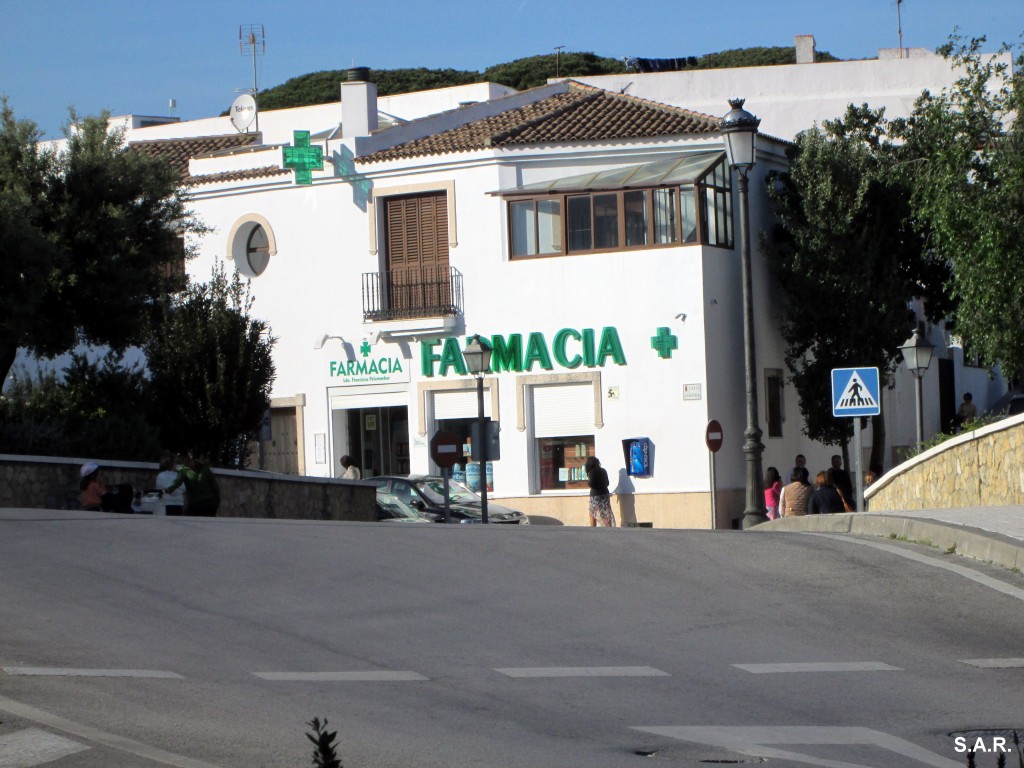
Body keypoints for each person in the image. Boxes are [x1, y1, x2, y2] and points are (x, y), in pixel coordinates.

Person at [164, 451, 221, 516]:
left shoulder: (185, 470)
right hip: (208, 503)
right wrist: (217, 500)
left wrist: (167, 490)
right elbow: (216, 488)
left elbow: (176, 483)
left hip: (198, 504)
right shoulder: (205, 469)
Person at [584, 456, 615, 527]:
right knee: (605, 512)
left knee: (592, 512)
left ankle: (593, 527)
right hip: (605, 494)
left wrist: (588, 483)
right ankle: (608, 526)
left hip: (595, 495)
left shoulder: (592, 472)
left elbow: (592, 484)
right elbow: (607, 483)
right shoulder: (603, 470)